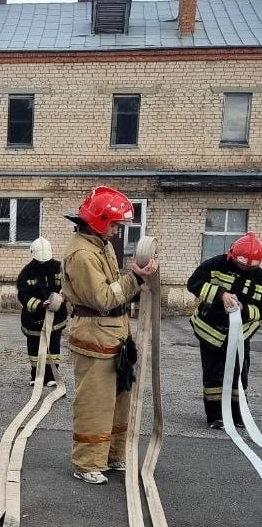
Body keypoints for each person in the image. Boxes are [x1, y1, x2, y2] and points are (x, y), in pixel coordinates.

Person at [61, 186, 158, 484]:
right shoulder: (82, 254)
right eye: (115, 224)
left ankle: (113, 456)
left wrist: (133, 282)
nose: (117, 231)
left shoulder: (98, 245)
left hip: (113, 336)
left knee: (119, 402)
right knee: (96, 403)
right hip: (95, 338)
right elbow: (103, 297)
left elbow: (115, 288)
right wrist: (136, 278)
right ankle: (88, 462)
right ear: (100, 221)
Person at [187, 231, 262, 430]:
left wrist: (245, 310)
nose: (245, 268)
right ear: (231, 255)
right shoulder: (216, 265)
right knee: (213, 374)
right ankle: (215, 416)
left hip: (241, 335)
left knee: (240, 374)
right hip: (211, 331)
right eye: (241, 264)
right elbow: (193, 283)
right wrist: (220, 295)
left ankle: (238, 415)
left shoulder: (260, 277)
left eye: (250, 266)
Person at [17, 237, 68, 386]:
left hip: (56, 317)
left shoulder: (60, 268)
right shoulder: (26, 273)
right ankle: (36, 376)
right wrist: (40, 305)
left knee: (53, 347)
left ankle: (52, 376)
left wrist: (64, 296)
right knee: (34, 348)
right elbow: (23, 296)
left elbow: (69, 286)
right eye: (40, 261)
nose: (43, 263)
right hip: (33, 318)